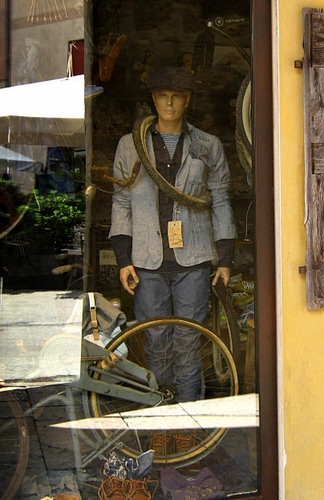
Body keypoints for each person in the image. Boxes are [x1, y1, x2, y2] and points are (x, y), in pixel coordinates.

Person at [109, 66, 237, 409]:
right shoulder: (130, 145)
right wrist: (124, 259)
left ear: (187, 100)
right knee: (155, 339)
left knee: (189, 340)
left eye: (176, 97)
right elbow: (121, 202)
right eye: (163, 96)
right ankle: (160, 415)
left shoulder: (207, 145)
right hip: (147, 259)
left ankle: (187, 417)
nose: (169, 103)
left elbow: (220, 201)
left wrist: (224, 259)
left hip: (193, 259)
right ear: (153, 99)